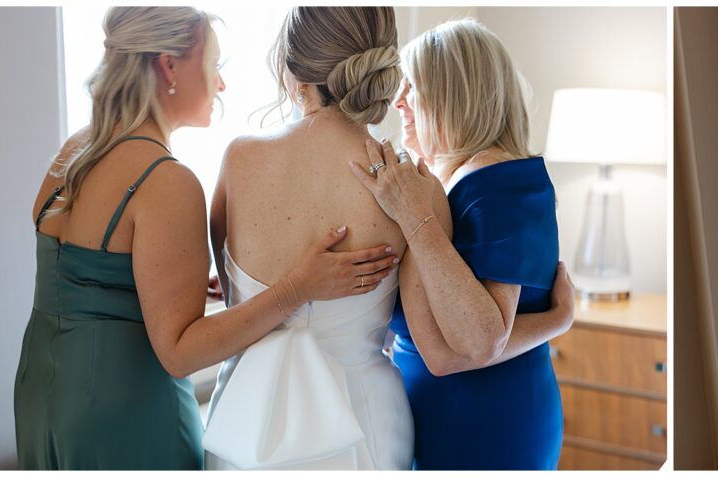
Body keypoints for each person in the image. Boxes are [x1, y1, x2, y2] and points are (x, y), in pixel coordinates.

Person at [14, 7, 397, 470]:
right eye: (214, 65)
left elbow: (89, 281)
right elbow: (180, 354)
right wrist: (298, 288)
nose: (221, 86)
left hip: (44, 393)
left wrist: (179, 287)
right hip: (122, 407)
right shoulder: (164, 180)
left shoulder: (76, 150)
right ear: (168, 66)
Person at [204, 9, 575, 470]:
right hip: (370, 417)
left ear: (293, 68)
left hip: (247, 418)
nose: (402, 101)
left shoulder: (239, 160)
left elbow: (235, 303)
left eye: (414, 89)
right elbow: (433, 340)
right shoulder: (412, 185)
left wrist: (256, 287)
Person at [350, 19, 570, 470]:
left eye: (413, 86)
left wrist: (415, 218)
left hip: (488, 426)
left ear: (454, 92)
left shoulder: (497, 182)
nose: (398, 101)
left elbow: (476, 341)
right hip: (439, 420)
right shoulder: (447, 181)